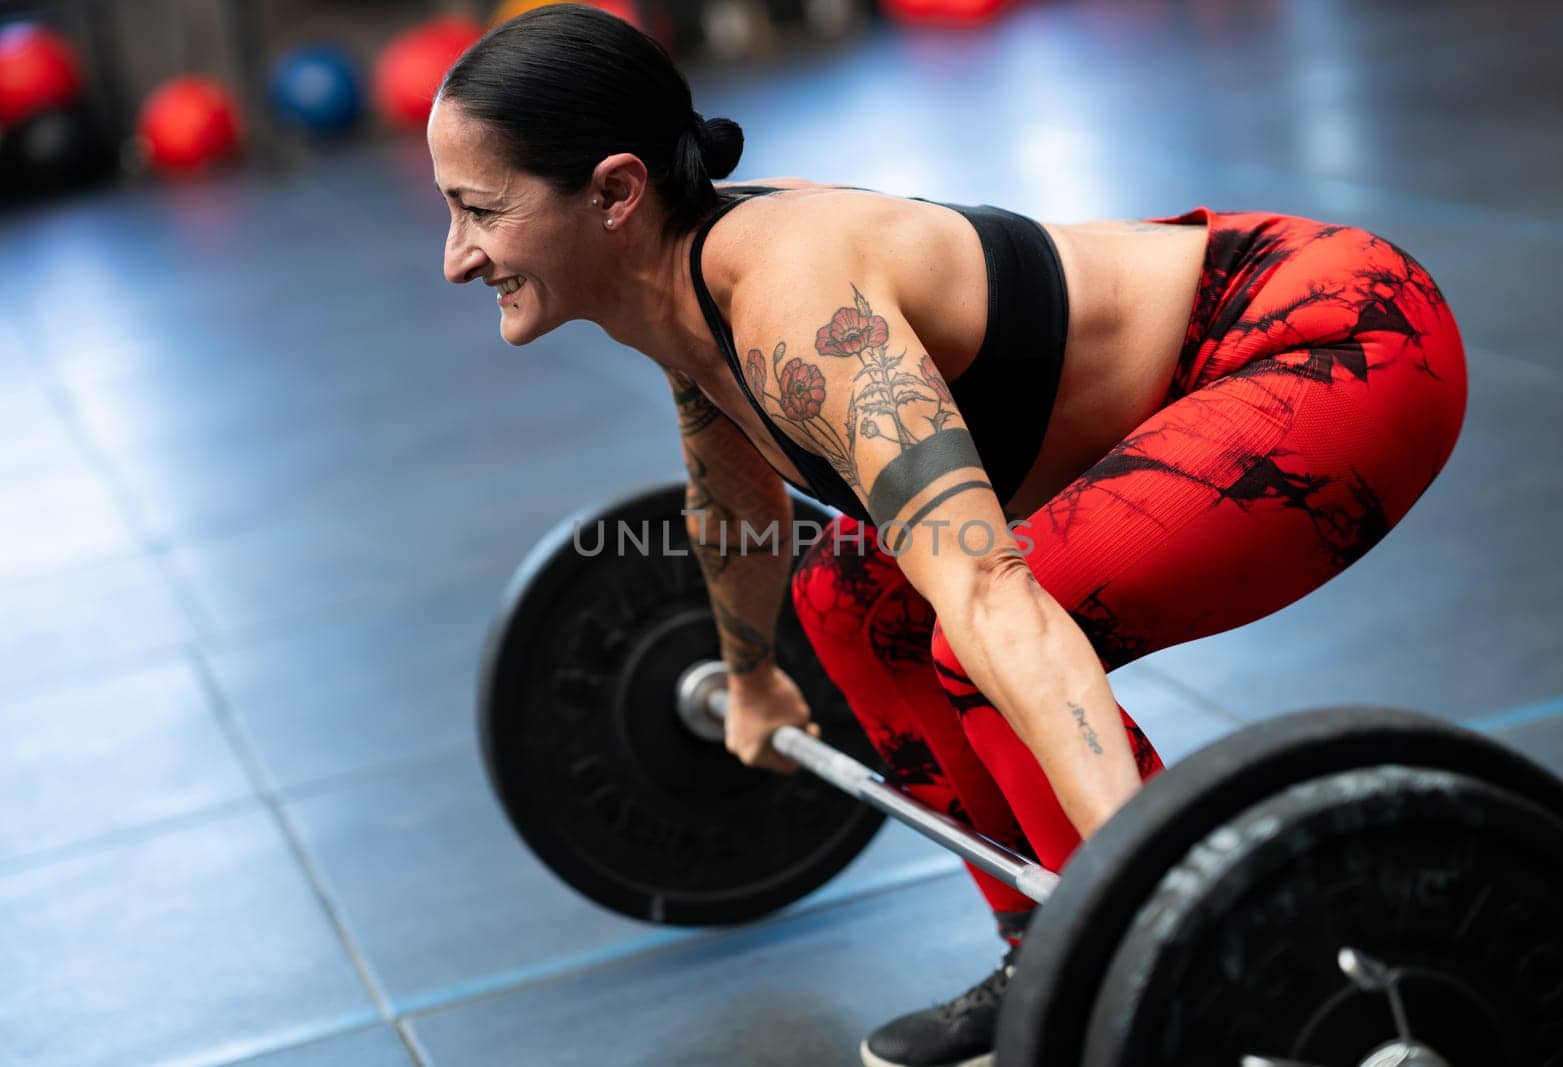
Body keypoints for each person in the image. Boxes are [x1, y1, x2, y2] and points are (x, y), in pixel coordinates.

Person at [428, 7, 1469, 1066]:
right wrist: (748, 678)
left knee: (984, 633)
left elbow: (992, 594)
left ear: (612, 192)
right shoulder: (669, 287)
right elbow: (740, 512)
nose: (456, 258)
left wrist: (1156, 899)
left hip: (1340, 341)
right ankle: (1044, 950)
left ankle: (1173, 965)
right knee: (847, 600)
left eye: (479, 210)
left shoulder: (793, 304)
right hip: (1213, 369)